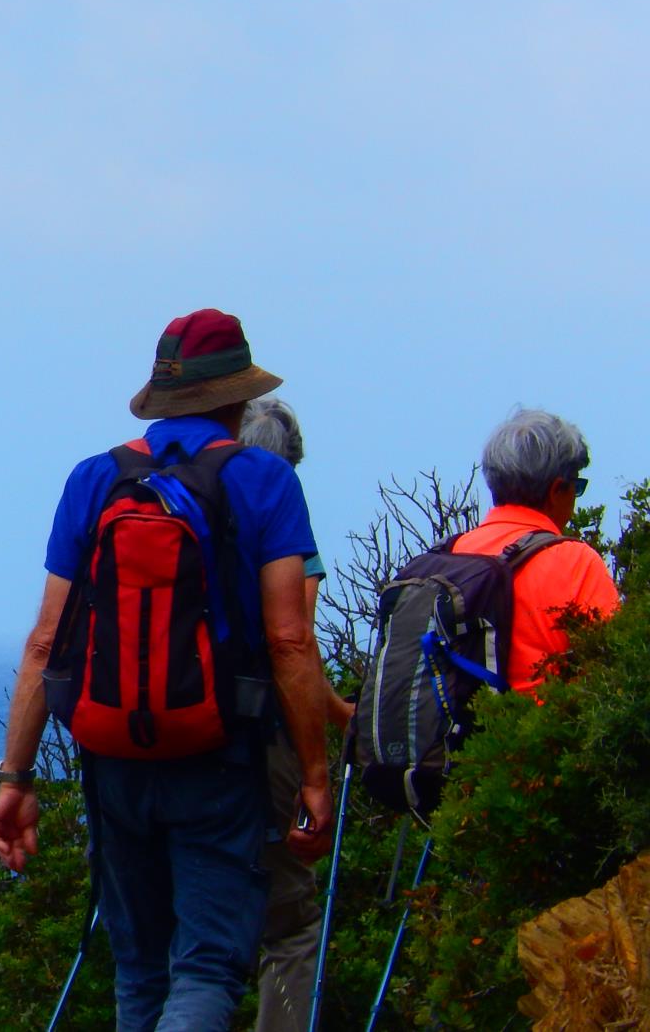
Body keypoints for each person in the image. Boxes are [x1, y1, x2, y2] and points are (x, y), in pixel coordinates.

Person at [0, 309, 335, 1031]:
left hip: (113, 761)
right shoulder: (264, 479)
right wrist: (314, 773)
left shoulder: (95, 478)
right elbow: (289, 640)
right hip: (217, 760)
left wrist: (15, 777)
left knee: (140, 969)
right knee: (206, 968)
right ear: (238, 397)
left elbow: (45, 643)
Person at [239, 397, 352, 1032]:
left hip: (169, 742)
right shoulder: (282, 511)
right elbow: (293, 644)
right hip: (268, 738)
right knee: (290, 925)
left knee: (189, 922)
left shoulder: (183, 503)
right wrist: (327, 743)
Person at [452, 409, 620, 697]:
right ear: (556, 490)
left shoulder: (455, 551)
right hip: (540, 724)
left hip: (451, 724)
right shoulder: (576, 562)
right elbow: (615, 669)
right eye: (576, 487)